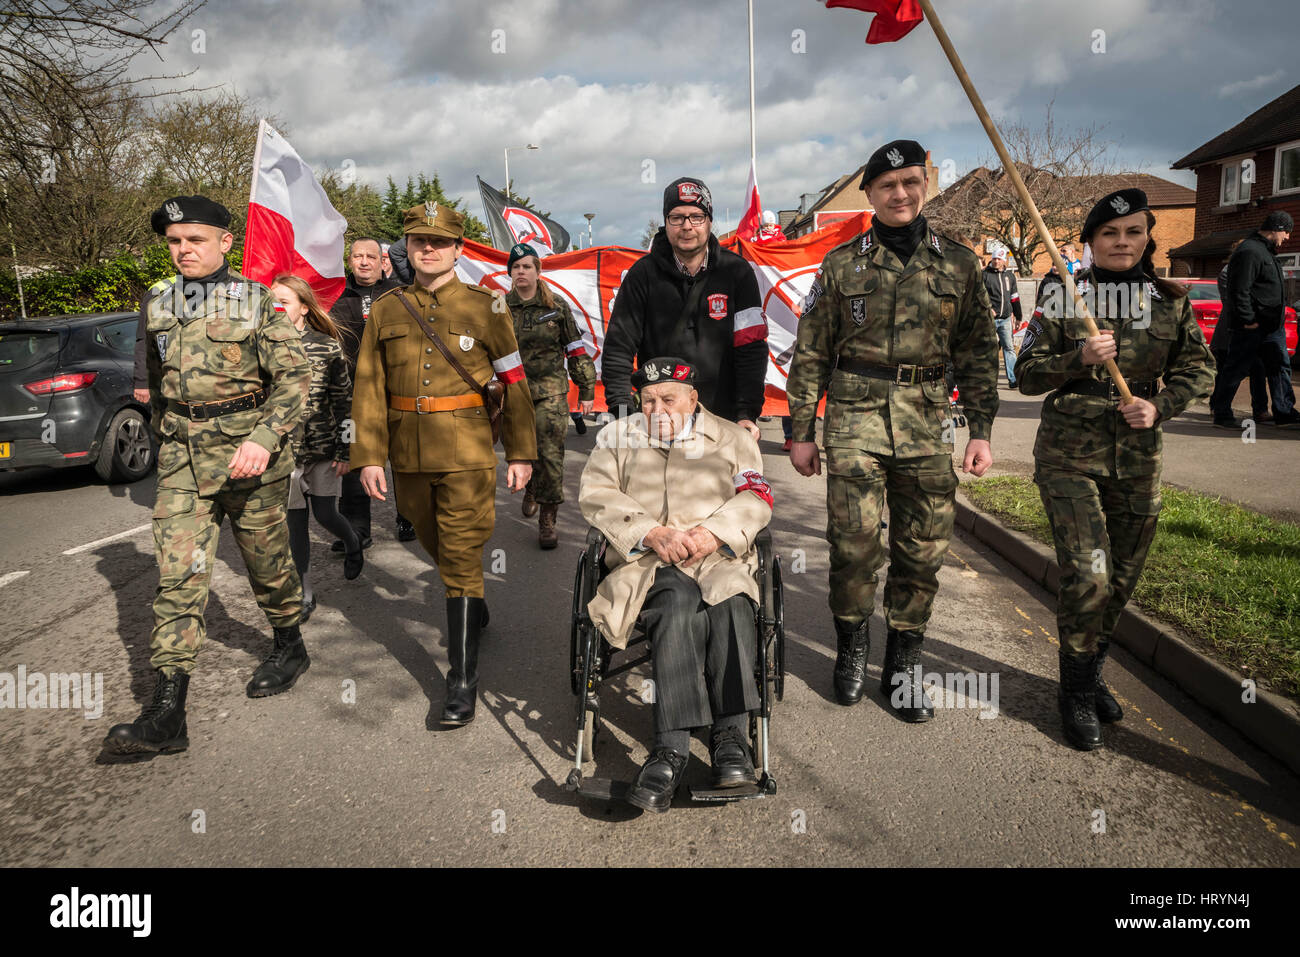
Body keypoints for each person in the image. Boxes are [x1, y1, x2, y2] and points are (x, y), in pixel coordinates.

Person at [785, 139, 999, 721]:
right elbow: (810, 352)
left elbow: (980, 351)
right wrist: (800, 429)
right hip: (854, 417)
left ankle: (904, 663)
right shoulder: (840, 264)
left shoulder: (958, 263)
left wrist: (980, 428)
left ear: (924, 184)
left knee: (922, 551)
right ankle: (853, 646)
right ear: (871, 194)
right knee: (853, 546)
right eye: (886, 186)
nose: (899, 194)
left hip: (928, 420)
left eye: (909, 182)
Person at [105, 195, 311, 755]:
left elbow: (295, 382)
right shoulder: (158, 304)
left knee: (266, 567)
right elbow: (156, 383)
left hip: (251, 461)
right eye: (174, 241)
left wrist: (263, 440)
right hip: (182, 463)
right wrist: (164, 440)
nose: (183, 251)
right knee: (178, 579)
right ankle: (167, 712)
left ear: (225, 241)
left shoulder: (259, 302)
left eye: (195, 239)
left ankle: (289, 642)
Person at [1015, 188, 1214, 750]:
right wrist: (1077, 358)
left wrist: (1160, 406)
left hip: (1137, 458)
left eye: (1133, 232)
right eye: (1109, 234)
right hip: (1068, 455)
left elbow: (1199, 371)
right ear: (1091, 242)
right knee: (1090, 574)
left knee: (1121, 580)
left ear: (1148, 237)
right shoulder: (1064, 294)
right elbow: (1025, 374)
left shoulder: (1169, 298)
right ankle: (1075, 691)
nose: (1122, 243)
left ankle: (1093, 668)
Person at [349, 202, 537, 727]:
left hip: (468, 452)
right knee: (434, 543)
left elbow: (515, 382)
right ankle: (472, 601)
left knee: (457, 550)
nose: (427, 249)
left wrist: (521, 452)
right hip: (407, 453)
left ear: (457, 249)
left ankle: (460, 681)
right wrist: (367, 454)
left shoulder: (488, 307)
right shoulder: (386, 309)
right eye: (417, 241)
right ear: (406, 249)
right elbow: (369, 386)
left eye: (438, 242)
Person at [579, 358, 773, 813]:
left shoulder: (734, 438)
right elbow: (597, 494)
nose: (658, 409)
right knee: (677, 600)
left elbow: (757, 496)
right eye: (648, 400)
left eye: (669, 399)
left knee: (729, 600)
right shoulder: (615, 437)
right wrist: (650, 532)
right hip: (645, 561)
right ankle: (671, 749)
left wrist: (714, 533)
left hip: (718, 555)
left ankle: (730, 740)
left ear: (692, 399)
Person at [602, 177, 768, 439]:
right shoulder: (641, 275)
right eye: (677, 217)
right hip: (660, 424)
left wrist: (747, 412)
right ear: (666, 222)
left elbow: (752, 349)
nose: (687, 226)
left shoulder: (738, 273)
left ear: (710, 220)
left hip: (722, 422)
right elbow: (618, 349)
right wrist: (624, 414)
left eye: (697, 217)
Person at [271, 274, 364, 624]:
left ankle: (352, 541)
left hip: (324, 448)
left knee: (325, 515)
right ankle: (305, 592)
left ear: (304, 308)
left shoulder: (327, 346)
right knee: (294, 525)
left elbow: (344, 402)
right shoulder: (261, 345)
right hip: (283, 453)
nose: (277, 309)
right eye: (273, 302)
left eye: (285, 302)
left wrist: (346, 449)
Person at [504, 242, 598, 549]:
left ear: (537, 271)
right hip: (514, 395)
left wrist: (586, 387)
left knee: (551, 455)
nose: (521, 271)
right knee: (522, 450)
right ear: (511, 272)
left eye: (527, 266)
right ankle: (531, 484)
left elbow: (574, 347)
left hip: (551, 393)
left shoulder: (555, 305)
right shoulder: (500, 307)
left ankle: (548, 518)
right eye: (516, 267)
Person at [328, 237, 411, 548]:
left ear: (382, 261)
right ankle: (356, 529)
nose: (364, 262)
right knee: (354, 460)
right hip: (352, 394)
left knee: (403, 459)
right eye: (357, 256)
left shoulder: (400, 296)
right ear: (350, 261)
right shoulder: (335, 297)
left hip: (396, 392)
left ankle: (408, 517)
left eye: (370, 256)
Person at [1209, 211, 1299, 428]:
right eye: (1286, 232)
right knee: (1236, 369)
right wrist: (1248, 318)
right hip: (1252, 326)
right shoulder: (1250, 251)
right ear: (1277, 228)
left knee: (1279, 367)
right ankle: (1221, 413)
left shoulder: (1266, 252)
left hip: (1271, 327)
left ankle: (1284, 412)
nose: (1287, 237)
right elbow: (1239, 289)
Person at [1210, 241, 1270, 423]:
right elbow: (1234, 300)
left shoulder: (1254, 270)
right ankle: (1218, 406)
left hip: (1253, 330)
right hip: (1231, 330)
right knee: (1227, 371)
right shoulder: (1228, 272)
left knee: (1257, 369)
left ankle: (1260, 409)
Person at [983, 247, 1023, 388]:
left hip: (1006, 318)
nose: (996, 261)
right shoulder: (984, 275)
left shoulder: (1010, 276)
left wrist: (1018, 317)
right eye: (994, 258)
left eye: (999, 259)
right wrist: (988, 308)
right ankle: (988, 380)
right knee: (989, 349)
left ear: (1004, 260)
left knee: (1009, 348)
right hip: (989, 319)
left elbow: (1014, 297)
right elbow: (979, 295)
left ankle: (1013, 379)